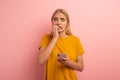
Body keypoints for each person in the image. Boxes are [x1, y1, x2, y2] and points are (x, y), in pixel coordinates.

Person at [38, 9, 84, 80]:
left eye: (62, 19)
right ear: (52, 22)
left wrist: (68, 62)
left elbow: (81, 67)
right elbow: (41, 60)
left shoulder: (75, 40)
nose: (58, 23)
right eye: (55, 19)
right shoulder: (46, 38)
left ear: (67, 23)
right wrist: (55, 37)